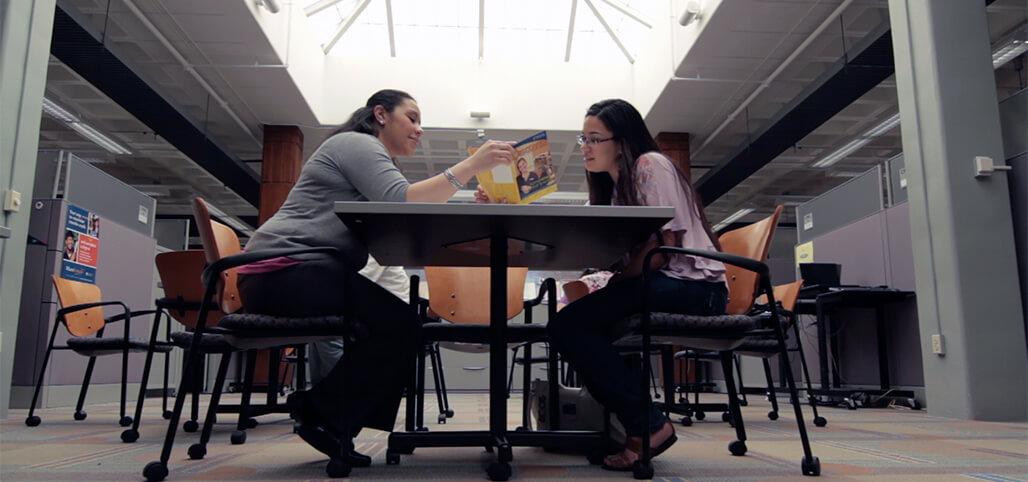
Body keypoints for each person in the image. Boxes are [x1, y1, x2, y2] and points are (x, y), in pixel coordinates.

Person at [235, 89, 516, 467]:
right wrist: (469, 167)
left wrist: (470, 204)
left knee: (399, 326)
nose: (419, 129)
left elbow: (407, 219)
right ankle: (322, 414)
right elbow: (402, 201)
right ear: (380, 114)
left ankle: (329, 419)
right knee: (400, 326)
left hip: (297, 273)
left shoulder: (370, 158)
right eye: (412, 118)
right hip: (283, 271)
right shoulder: (356, 144)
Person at [546, 99, 728, 471]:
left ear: (622, 140)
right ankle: (637, 424)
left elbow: (662, 250)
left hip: (695, 286)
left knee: (570, 324)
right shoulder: (613, 190)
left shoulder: (649, 164)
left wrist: (613, 285)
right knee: (580, 322)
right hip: (664, 281)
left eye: (595, 138)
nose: (586, 147)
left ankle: (648, 425)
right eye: (583, 139)